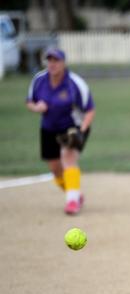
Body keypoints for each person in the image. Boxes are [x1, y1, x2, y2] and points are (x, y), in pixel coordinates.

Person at [26, 47, 95, 215]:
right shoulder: (39, 80)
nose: (52, 64)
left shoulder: (74, 83)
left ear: (63, 63)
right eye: (49, 60)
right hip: (49, 128)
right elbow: (29, 101)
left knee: (68, 157)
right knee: (55, 168)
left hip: (73, 126)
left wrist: (81, 131)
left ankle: (72, 202)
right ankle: (75, 193)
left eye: (56, 60)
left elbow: (90, 109)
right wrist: (37, 108)